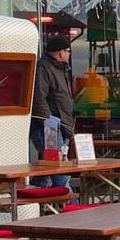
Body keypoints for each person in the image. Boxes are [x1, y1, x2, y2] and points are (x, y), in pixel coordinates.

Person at [31, 33, 77, 178]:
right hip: (50, 128)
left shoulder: (60, 69)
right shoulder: (44, 68)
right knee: (61, 174)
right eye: (68, 51)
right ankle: (71, 202)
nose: (69, 55)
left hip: (63, 126)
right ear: (62, 52)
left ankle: (40, 198)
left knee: (46, 176)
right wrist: (48, 124)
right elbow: (39, 99)